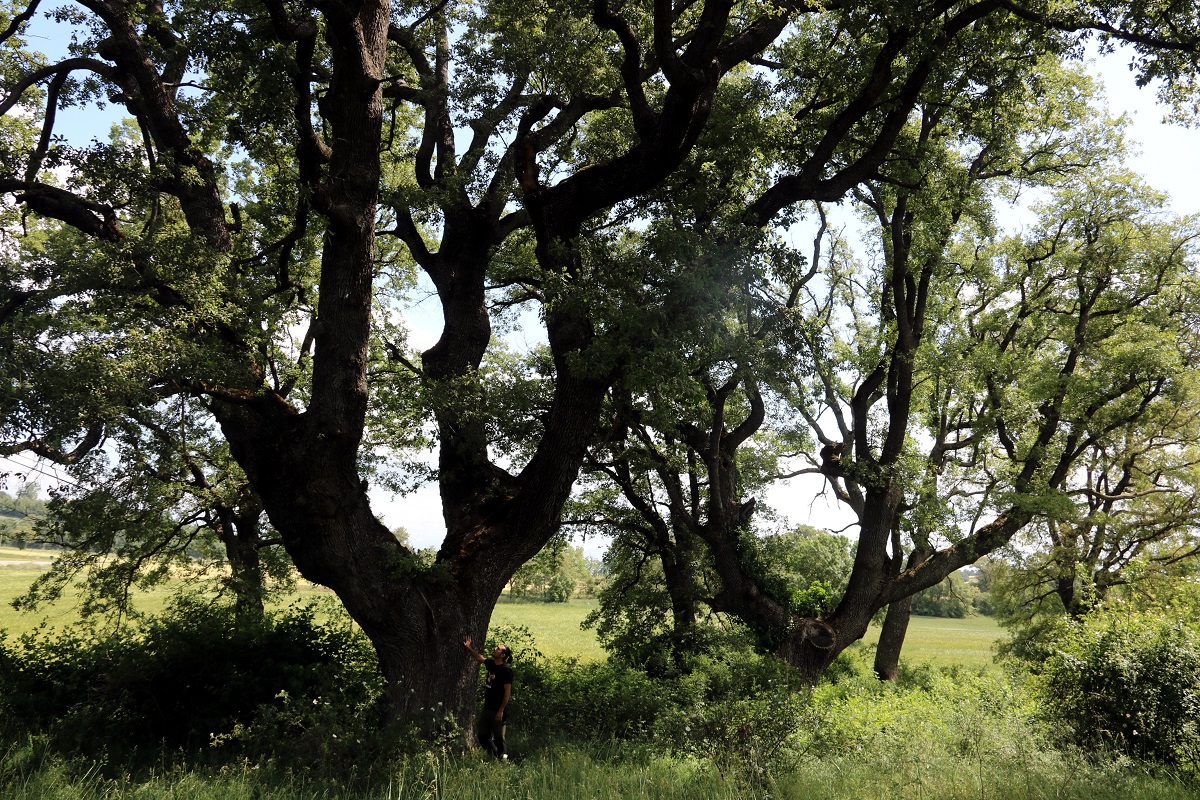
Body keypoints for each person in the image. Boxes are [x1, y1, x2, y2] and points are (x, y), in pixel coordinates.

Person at [462, 635, 513, 759]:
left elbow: (507, 692)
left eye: (498, 649)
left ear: (503, 655)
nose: (495, 648)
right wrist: (468, 648)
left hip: (498, 710)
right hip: (487, 708)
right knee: (482, 736)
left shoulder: (506, 670)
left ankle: (503, 760)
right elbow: (480, 658)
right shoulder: (491, 664)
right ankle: (494, 755)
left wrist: (501, 711)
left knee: (499, 738)